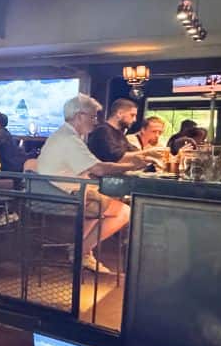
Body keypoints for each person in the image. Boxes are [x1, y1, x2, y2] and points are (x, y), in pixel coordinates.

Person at [33, 95, 156, 274]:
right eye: (92, 116)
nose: (95, 121)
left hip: (58, 190)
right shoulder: (69, 139)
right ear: (79, 116)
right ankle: (80, 252)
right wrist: (133, 164)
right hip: (65, 195)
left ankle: (82, 252)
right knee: (124, 212)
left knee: (101, 206)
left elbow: (91, 166)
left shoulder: (64, 135)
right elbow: (98, 168)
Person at [87, 98, 139, 163]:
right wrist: (148, 152)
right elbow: (117, 158)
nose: (135, 120)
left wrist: (148, 154)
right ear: (119, 113)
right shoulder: (102, 131)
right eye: (132, 115)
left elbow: (133, 151)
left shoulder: (119, 133)